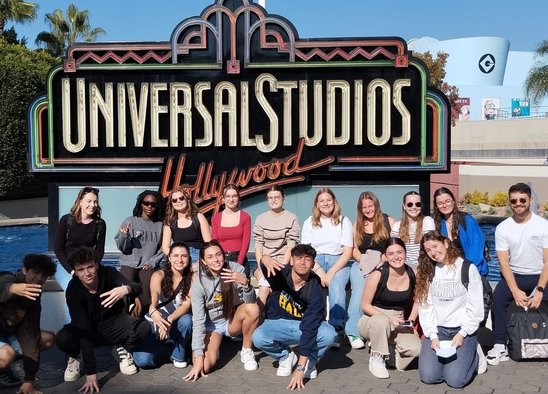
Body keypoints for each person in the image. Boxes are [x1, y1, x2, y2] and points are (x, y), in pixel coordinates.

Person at [56, 247, 150, 394]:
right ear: (74, 270)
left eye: (90, 267)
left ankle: (121, 348)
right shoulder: (73, 290)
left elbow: (136, 287)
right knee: (63, 337)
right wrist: (91, 373)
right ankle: (76, 356)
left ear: (96, 265)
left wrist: (125, 289)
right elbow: (83, 330)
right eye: (81, 269)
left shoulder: (109, 273)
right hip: (86, 328)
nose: (87, 273)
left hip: (113, 323)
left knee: (143, 327)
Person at [252, 244, 336, 390]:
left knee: (329, 335)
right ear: (291, 260)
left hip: (304, 325)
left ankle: (310, 360)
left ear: (313, 264)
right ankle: (286, 357)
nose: (303, 262)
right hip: (280, 322)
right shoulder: (282, 274)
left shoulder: (315, 288)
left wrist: (300, 368)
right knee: (258, 337)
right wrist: (265, 258)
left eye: (308, 259)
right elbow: (265, 268)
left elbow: (309, 328)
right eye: (299, 258)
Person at [488, 182, 548, 366]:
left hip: (540, 275)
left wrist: (539, 290)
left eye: (522, 199)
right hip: (515, 275)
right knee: (498, 299)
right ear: (510, 202)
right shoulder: (503, 228)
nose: (518, 203)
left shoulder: (543, 226)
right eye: (514, 200)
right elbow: (504, 263)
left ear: (530, 200)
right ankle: (499, 344)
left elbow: (547, 262)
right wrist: (514, 290)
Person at [416, 231, 484, 389]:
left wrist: (463, 333)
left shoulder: (467, 268)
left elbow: (476, 308)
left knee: (455, 380)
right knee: (428, 376)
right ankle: (451, 362)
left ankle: (475, 355)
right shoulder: (428, 271)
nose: (433, 252)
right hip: (438, 330)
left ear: (446, 243)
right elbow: (426, 307)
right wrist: (432, 335)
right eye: (428, 250)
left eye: (435, 246)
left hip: (462, 330)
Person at [184, 241, 260, 381]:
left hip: (231, 320)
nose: (216, 259)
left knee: (253, 309)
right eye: (210, 257)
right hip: (211, 325)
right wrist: (199, 355)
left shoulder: (236, 270)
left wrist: (245, 283)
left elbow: (250, 301)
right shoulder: (199, 282)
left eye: (218, 254)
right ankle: (213, 347)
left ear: (224, 255)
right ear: (204, 261)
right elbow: (198, 320)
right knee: (203, 367)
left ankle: (247, 350)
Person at [358, 237, 420, 379]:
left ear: (405, 253)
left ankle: (389, 349)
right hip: (373, 318)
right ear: (384, 256)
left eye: (400, 252)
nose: (396, 257)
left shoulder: (413, 274)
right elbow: (365, 305)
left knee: (415, 349)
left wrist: (410, 322)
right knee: (381, 321)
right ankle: (377, 357)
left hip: (399, 319)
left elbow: (418, 300)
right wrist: (387, 318)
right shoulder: (377, 275)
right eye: (391, 254)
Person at [301, 188, 353, 343]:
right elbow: (305, 251)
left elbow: (348, 252)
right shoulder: (309, 222)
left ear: (334, 201)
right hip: (314, 261)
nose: (325, 203)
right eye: (322, 201)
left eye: (328, 200)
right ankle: (315, 326)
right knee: (311, 285)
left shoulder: (344, 221)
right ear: (317, 204)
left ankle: (336, 328)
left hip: (338, 261)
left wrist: (330, 273)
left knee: (336, 284)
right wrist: (319, 272)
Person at [0, 254, 56, 394]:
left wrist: (29, 380)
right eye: (35, 272)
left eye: (43, 275)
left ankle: (2, 369)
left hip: (7, 334)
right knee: (7, 355)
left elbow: (29, 334)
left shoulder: (34, 294)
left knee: (47, 339)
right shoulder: (9, 279)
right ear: (25, 270)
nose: (38, 279)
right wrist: (12, 289)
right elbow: (3, 285)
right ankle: (3, 365)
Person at [133, 242, 193, 369]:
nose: (180, 260)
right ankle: (156, 344)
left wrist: (169, 320)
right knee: (143, 361)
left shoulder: (192, 277)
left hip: (176, 319)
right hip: (157, 319)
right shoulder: (159, 275)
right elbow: (155, 292)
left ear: (189, 258)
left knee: (188, 321)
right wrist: (153, 309)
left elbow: (187, 304)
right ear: (169, 258)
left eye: (184, 256)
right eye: (175, 255)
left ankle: (176, 352)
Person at [347, 192, 395, 349]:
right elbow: (353, 249)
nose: (368, 209)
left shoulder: (389, 221)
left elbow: (395, 246)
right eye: (364, 207)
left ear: (376, 204)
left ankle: (372, 330)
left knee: (380, 294)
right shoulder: (357, 224)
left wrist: (383, 259)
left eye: (370, 205)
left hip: (383, 265)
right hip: (361, 263)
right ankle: (353, 331)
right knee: (360, 290)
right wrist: (363, 261)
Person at [54, 186, 106, 321]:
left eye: (95, 202)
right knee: (73, 290)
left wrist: (92, 267)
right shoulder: (66, 220)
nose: (92, 205)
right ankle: (74, 327)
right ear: (80, 201)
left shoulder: (100, 224)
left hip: (89, 266)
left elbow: (99, 251)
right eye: (89, 201)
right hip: (68, 267)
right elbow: (58, 249)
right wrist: (72, 271)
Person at [115, 190, 165, 317]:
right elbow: (123, 248)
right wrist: (124, 235)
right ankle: (124, 314)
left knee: (147, 279)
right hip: (129, 262)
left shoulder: (161, 225)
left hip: (148, 264)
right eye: (146, 203)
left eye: (153, 204)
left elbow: (163, 249)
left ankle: (141, 312)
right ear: (141, 204)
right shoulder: (130, 221)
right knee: (126, 280)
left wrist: (152, 262)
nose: (149, 207)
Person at [253, 185, 300, 307]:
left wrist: (282, 267)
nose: (273, 200)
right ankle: (258, 320)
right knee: (264, 287)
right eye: (270, 198)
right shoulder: (260, 218)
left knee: (277, 289)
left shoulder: (292, 218)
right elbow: (258, 245)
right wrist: (261, 266)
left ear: (283, 198)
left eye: (277, 197)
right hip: (264, 262)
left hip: (282, 263)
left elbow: (291, 245)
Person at [432, 187, 488, 276]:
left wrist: (466, 272)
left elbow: (476, 250)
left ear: (453, 201)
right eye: (440, 203)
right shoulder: (437, 224)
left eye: (447, 201)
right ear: (436, 206)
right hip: (448, 273)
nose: (445, 205)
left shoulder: (467, 220)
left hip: (470, 271)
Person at [162, 187, 211, 268]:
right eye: (174, 200)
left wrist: (202, 260)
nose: (178, 201)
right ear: (171, 203)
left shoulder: (198, 217)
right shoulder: (169, 221)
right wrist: (176, 256)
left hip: (197, 255)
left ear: (187, 200)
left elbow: (208, 243)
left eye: (181, 198)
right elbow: (165, 247)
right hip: (179, 256)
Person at [211, 184, 252, 276]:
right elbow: (215, 242)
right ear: (223, 199)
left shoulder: (245, 217)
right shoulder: (216, 218)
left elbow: (246, 244)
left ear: (238, 198)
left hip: (239, 259)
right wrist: (219, 261)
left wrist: (238, 265)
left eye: (234, 196)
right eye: (228, 196)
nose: (231, 199)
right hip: (221, 259)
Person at [391, 191, 435, 269]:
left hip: (424, 265)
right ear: (404, 206)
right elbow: (395, 249)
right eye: (410, 204)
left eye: (417, 204)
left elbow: (430, 246)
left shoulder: (427, 221)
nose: (414, 207)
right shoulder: (397, 226)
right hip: (403, 267)